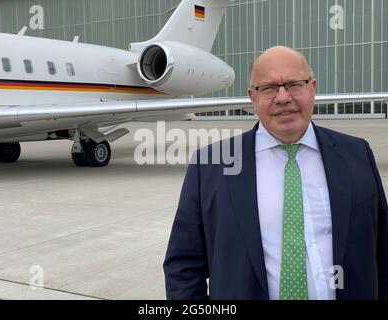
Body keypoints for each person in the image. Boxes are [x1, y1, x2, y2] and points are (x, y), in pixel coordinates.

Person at [163, 46, 388, 300]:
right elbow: (183, 266)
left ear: (312, 88)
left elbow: (383, 250)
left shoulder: (357, 154)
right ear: (252, 96)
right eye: (269, 88)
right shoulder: (211, 165)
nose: (283, 97)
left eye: (294, 84)